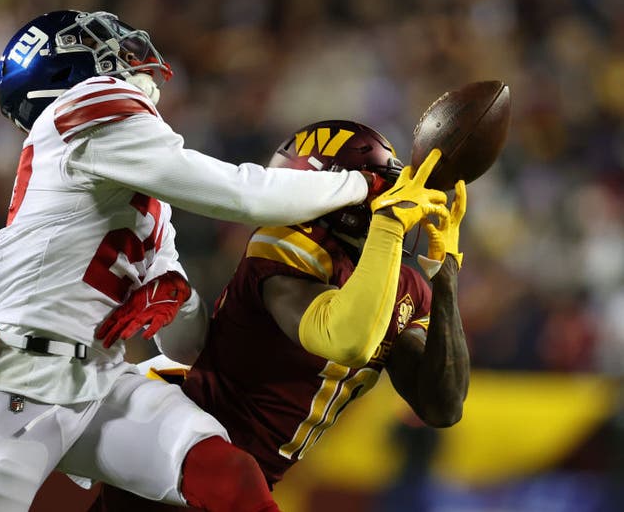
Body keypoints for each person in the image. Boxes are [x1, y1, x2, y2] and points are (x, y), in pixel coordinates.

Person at [0, 9, 403, 512]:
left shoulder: (141, 186)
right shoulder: (87, 108)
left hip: (99, 380)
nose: (117, 46)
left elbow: (187, 346)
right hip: (20, 379)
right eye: (89, 40)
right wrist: (364, 183)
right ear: (59, 71)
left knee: (229, 474)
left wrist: (175, 297)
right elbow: (243, 196)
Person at [89, 120, 471, 510]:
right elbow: (344, 337)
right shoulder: (282, 244)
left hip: (236, 487)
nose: (388, 195)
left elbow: (442, 405)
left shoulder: (404, 285)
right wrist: (388, 229)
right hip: (175, 472)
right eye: (376, 184)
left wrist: (446, 277)